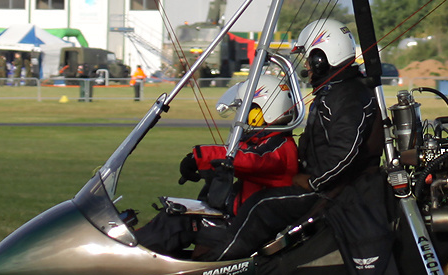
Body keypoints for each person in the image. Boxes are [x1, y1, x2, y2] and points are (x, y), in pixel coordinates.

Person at [200, 18, 381, 262]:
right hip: (330, 184)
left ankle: (216, 264)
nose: (306, 64)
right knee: (249, 194)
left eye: (309, 57)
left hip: (335, 191)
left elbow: (345, 151)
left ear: (321, 57)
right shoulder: (337, 91)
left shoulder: (346, 95)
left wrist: (314, 182)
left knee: (261, 206)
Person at [131, 73, 299, 257]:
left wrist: (200, 156)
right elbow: (238, 152)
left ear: (261, 113)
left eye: (246, 110)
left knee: (176, 222)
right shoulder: (267, 142)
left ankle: (127, 256)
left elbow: (249, 160)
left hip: (245, 230)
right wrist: (203, 162)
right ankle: (133, 252)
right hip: (235, 220)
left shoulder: (280, 148)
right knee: (176, 215)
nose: (241, 118)